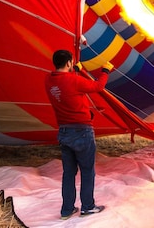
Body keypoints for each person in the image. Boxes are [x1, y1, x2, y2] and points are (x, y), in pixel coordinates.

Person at [45, 49, 113, 220]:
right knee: (87, 171)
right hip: (82, 131)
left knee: (68, 173)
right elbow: (97, 86)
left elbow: (67, 87)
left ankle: (67, 210)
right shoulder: (74, 80)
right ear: (69, 63)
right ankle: (88, 207)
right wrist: (105, 71)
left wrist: (76, 71)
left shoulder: (48, 80)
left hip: (64, 131)